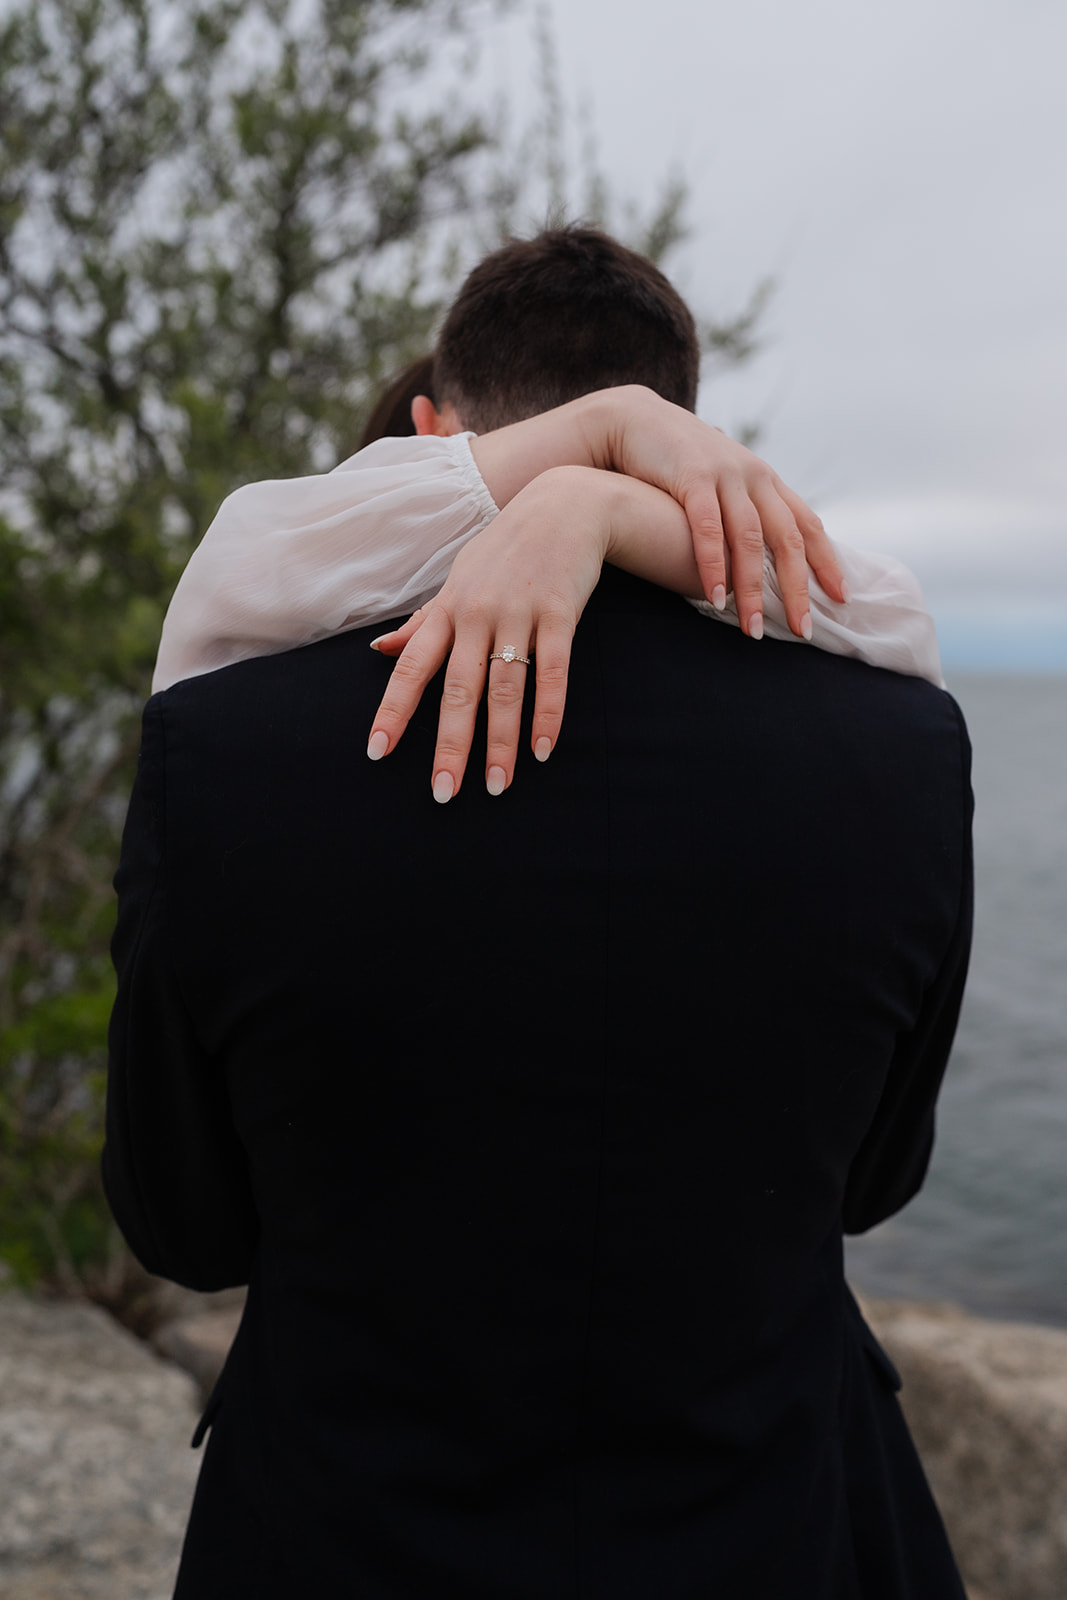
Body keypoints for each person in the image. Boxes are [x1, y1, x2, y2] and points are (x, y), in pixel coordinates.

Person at [104, 228, 972, 1597]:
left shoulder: (221, 745)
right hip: (769, 1529)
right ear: (703, 454)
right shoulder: (908, 749)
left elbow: (183, 1224)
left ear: (430, 437)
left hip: (340, 1535)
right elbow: (874, 1183)